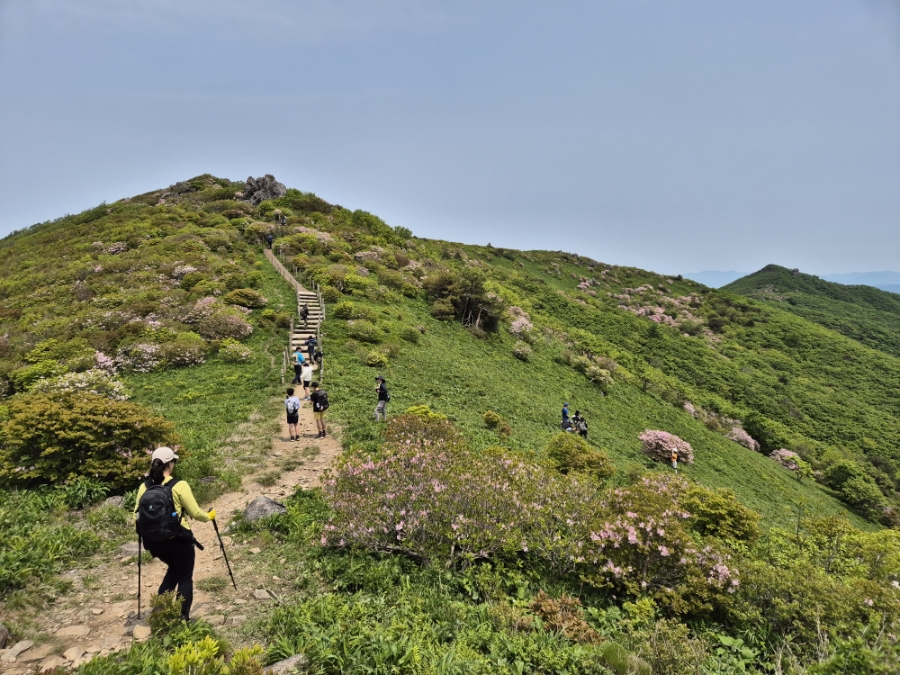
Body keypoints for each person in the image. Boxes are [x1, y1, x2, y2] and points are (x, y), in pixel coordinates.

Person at [134, 447, 214, 622]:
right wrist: (210, 516)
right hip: (179, 540)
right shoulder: (179, 485)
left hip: (155, 543)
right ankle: (182, 617)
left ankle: (161, 607)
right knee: (184, 576)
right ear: (170, 464)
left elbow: (136, 515)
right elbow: (195, 513)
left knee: (174, 568)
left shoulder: (144, 487)